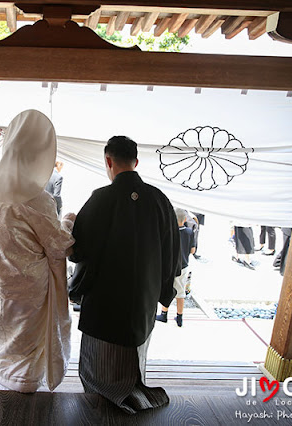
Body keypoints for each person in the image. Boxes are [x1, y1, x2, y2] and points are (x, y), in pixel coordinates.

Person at [68, 135, 179, 414]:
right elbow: (172, 253)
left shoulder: (101, 199)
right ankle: (132, 397)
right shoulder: (159, 199)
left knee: (100, 371)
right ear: (136, 162)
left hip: (105, 302)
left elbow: (78, 250)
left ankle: (101, 408)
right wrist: (165, 292)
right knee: (134, 359)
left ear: (108, 161)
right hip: (143, 302)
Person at [0, 110, 75, 393]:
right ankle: (22, 393)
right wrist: (67, 220)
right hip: (28, 291)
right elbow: (59, 245)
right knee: (25, 343)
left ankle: (0, 382)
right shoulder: (37, 200)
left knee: (3, 334)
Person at [156, 208, 195, 327]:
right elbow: (192, 250)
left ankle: (164, 313)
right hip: (183, 265)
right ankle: (179, 317)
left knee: (168, 289)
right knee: (181, 291)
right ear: (184, 220)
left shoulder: (169, 232)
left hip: (169, 265)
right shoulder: (189, 232)